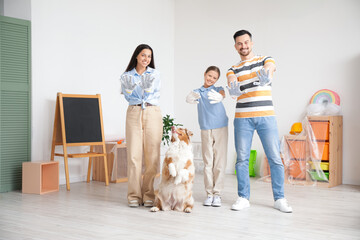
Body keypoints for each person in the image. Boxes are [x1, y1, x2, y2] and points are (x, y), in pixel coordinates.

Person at [226, 30, 292, 213]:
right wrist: (233, 87)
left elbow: (270, 67)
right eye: (239, 43)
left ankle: (280, 198)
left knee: (274, 158)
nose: (243, 46)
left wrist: (267, 75)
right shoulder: (232, 68)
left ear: (252, 43)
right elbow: (232, 80)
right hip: (242, 119)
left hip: (266, 116)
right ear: (235, 46)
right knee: (242, 159)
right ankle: (243, 197)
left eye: (246, 42)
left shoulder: (265, 59)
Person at [120, 44, 163, 208]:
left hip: (152, 112)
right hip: (134, 111)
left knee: (152, 156)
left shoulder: (155, 74)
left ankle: (148, 194)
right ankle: (133, 195)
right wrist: (134, 90)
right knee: (133, 155)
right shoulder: (126, 75)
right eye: (143, 55)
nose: (146, 59)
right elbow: (127, 94)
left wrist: (143, 88)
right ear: (136, 56)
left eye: (149, 56)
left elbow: (152, 92)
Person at [186, 66, 228, 207]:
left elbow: (223, 92)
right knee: (208, 162)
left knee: (219, 162)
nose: (211, 79)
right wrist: (189, 98)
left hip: (220, 126)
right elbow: (190, 96)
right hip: (205, 128)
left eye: (214, 78)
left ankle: (217, 194)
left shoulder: (217, 89)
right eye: (209, 76)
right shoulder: (198, 92)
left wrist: (221, 96)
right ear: (205, 74)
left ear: (217, 80)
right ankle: (209, 194)